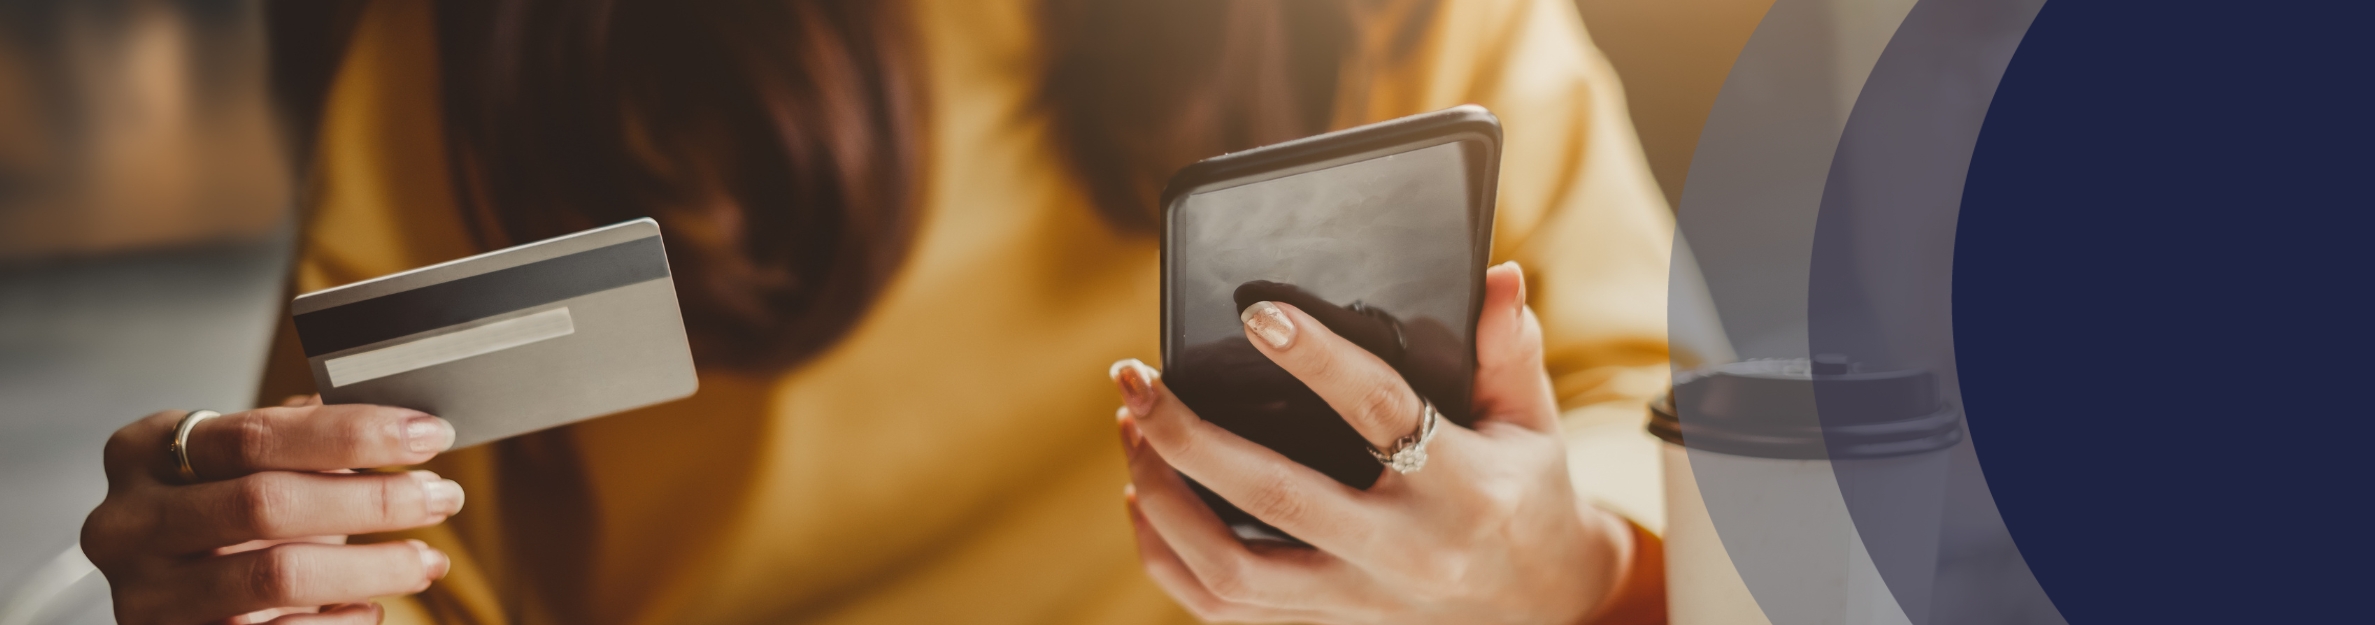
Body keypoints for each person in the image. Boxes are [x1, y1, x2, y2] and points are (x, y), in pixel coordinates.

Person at [80, 0, 1680, 622]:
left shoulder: (1422, 26)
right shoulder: (479, 63)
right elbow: (379, 562)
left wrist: (1569, 563)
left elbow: (1671, 433)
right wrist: (254, 564)